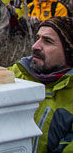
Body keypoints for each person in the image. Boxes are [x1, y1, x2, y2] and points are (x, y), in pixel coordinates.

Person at [9, 17, 72, 153]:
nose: (35, 46)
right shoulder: (18, 73)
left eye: (47, 41)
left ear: (69, 52)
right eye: (38, 38)